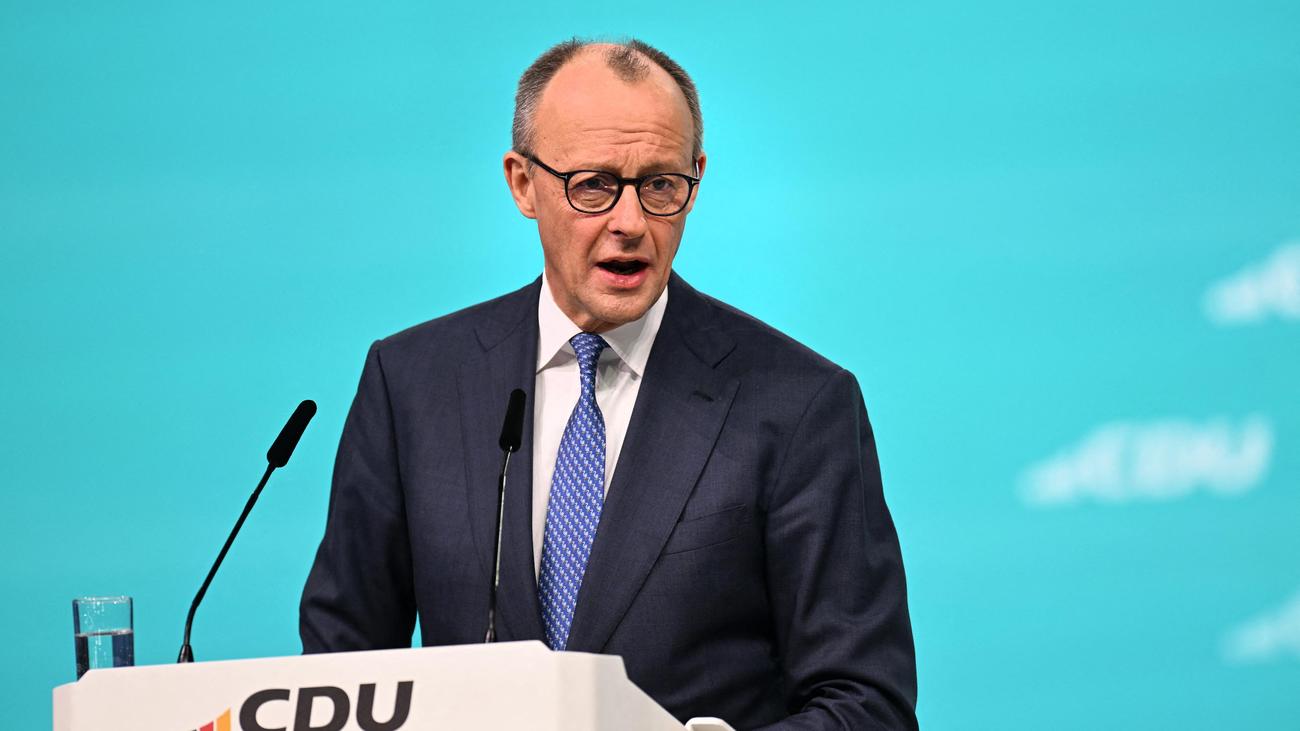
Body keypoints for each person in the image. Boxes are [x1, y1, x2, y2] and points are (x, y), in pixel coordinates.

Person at [300, 38, 918, 730]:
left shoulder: (798, 404)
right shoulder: (413, 384)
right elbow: (337, 675)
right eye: (593, 184)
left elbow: (868, 704)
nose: (630, 223)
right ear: (522, 183)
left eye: (660, 185)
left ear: (696, 180)